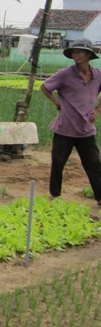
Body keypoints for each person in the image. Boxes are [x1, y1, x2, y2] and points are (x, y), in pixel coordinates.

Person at [41, 38, 101, 208]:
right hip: (65, 129)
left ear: (88, 54)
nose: (76, 54)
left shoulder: (98, 75)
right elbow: (45, 87)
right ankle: (55, 195)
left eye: (79, 52)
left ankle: (100, 197)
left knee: (94, 165)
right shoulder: (65, 74)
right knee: (58, 162)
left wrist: (97, 110)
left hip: (86, 130)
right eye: (74, 52)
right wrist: (56, 102)